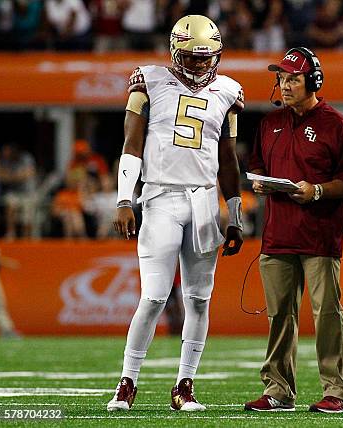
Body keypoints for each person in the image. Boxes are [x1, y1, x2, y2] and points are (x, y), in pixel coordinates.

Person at [107, 15, 244, 412]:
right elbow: (132, 144)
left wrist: (233, 213)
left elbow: (227, 158)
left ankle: (185, 385)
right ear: (174, 50)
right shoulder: (148, 80)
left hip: (203, 200)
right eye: (192, 57)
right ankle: (127, 382)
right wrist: (123, 199)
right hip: (160, 198)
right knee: (152, 296)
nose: (201, 65)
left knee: (199, 300)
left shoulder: (229, 90)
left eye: (207, 58)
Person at [244, 47, 343, 413]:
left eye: (294, 78)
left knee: (327, 314)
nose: (286, 85)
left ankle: (338, 392)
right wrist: (260, 185)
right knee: (280, 316)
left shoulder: (337, 125)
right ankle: (278, 390)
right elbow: (257, 168)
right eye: (282, 78)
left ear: (313, 81)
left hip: (319, 236)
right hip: (278, 235)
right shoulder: (269, 123)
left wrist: (318, 191)